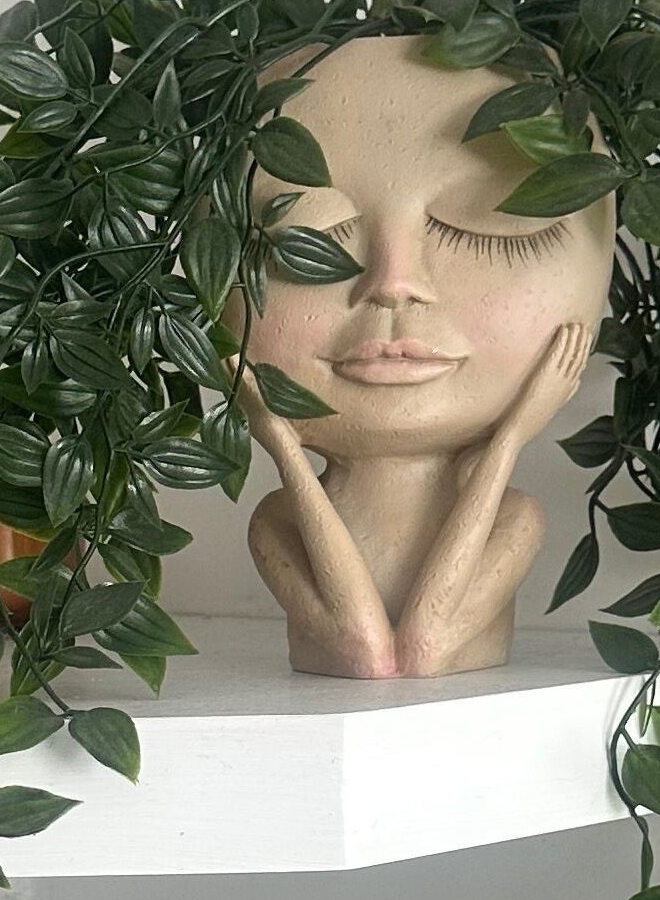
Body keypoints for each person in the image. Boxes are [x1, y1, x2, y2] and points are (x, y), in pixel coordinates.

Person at [235, 36, 616, 677]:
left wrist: (510, 437)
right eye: (311, 235)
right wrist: (282, 447)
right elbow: (367, 651)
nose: (394, 283)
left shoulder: (517, 518)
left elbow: (427, 642)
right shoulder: (276, 520)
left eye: (486, 228)